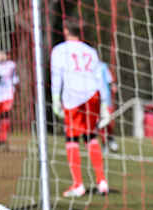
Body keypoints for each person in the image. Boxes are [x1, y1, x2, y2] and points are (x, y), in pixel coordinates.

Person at [50, 18, 110, 197]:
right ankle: (102, 182)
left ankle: (78, 184)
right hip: (93, 95)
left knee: (72, 138)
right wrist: (104, 104)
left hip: (73, 97)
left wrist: (55, 99)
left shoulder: (59, 50)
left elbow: (57, 76)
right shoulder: (90, 51)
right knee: (91, 136)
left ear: (66, 30)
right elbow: (100, 78)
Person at [0, 50, 19, 149]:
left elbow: (15, 79)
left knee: (5, 116)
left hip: (7, 95)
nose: (2, 56)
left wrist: (14, 89)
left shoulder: (11, 65)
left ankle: (3, 138)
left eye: (3, 54)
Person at [96, 60, 120, 153]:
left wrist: (113, 86)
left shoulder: (102, 66)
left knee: (107, 121)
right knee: (100, 122)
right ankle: (105, 144)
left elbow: (110, 80)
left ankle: (110, 139)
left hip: (105, 98)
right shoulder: (86, 68)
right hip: (93, 99)